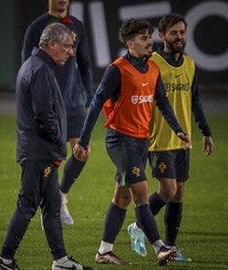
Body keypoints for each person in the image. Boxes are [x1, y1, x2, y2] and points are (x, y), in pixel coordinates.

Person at [73, 18, 191, 267]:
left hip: (141, 142)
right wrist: (83, 138)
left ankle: (104, 251)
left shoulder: (153, 68)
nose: (150, 42)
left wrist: (178, 129)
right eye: (143, 38)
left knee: (122, 198)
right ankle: (160, 247)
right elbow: (96, 103)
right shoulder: (117, 69)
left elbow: (162, 102)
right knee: (142, 193)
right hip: (120, 142)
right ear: (130, 44)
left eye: (149, 37)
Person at [0, 22, 92, 270]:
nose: (71, 52)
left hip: (38, 150)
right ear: (52, 45)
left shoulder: (35, 65)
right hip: (40, 152)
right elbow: (44, 114)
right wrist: (59, 140)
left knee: (52, 208)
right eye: (68, 47)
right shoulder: (40, 70)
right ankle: (5, 259)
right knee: (27, 206)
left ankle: (60, 261)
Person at [126, 12, 214, 262]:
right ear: (162, 36)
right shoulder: (151, 63)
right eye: (173, 33)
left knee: (178, 194)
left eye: (182, 32)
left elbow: (195, 100)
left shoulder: (190, 64)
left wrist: (205, 131)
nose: (179, 37)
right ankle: (139, 226)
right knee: (168, 189)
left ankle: (171, 248)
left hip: (183, 139)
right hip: (158, 138)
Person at [21, 0, 94, 226]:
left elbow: (84, 64)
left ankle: (61, 197)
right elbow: (27, 64)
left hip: (72, 103)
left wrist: (90, 96)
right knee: (50, 158)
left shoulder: (77, 26)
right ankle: (49, 207)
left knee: (82, 152)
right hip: (47, 102)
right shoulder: (36, 27)